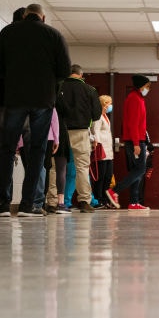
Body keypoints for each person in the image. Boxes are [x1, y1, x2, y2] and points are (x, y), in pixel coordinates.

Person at [0, 3, 70, 217]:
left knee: (6, 149)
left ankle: (2, 204)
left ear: (25, 16)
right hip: (43, 101)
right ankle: (29, 205)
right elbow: (64, 70)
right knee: (37, 151)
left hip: (14, 99)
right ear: (42, 17)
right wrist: (51, 91)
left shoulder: (8, 32)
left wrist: (1, 96)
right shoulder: (54, 35)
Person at [56, 64, 100, 213]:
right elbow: (96, 115)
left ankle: (52, 202)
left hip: (60, 131)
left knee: (56, 168)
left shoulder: (58, 86)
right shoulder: (90, 90)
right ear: (81, 75)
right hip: (81, 133)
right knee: (82, 168)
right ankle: (84, 201)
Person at [108, 75, 153, 210]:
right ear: (140, 86)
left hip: (137, 139)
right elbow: (133, 123)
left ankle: (133, 202)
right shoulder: (134, 99)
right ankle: (114, 190)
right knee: (140, 169)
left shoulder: (138, 98)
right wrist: (136, 143)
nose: (148, 89)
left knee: (136, 170)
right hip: (136, 140)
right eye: (147, 86)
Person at [92, 95, 119, 209]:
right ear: (103, 104)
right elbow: (95, 130)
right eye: (108, 103)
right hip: (101, 149)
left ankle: (105, 198)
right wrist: (96, 143)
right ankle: (98, 199)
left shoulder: (106, 116)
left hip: (108, 150)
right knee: (101, 176)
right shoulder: (98, 116)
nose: (110, 106)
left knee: (108, 176)